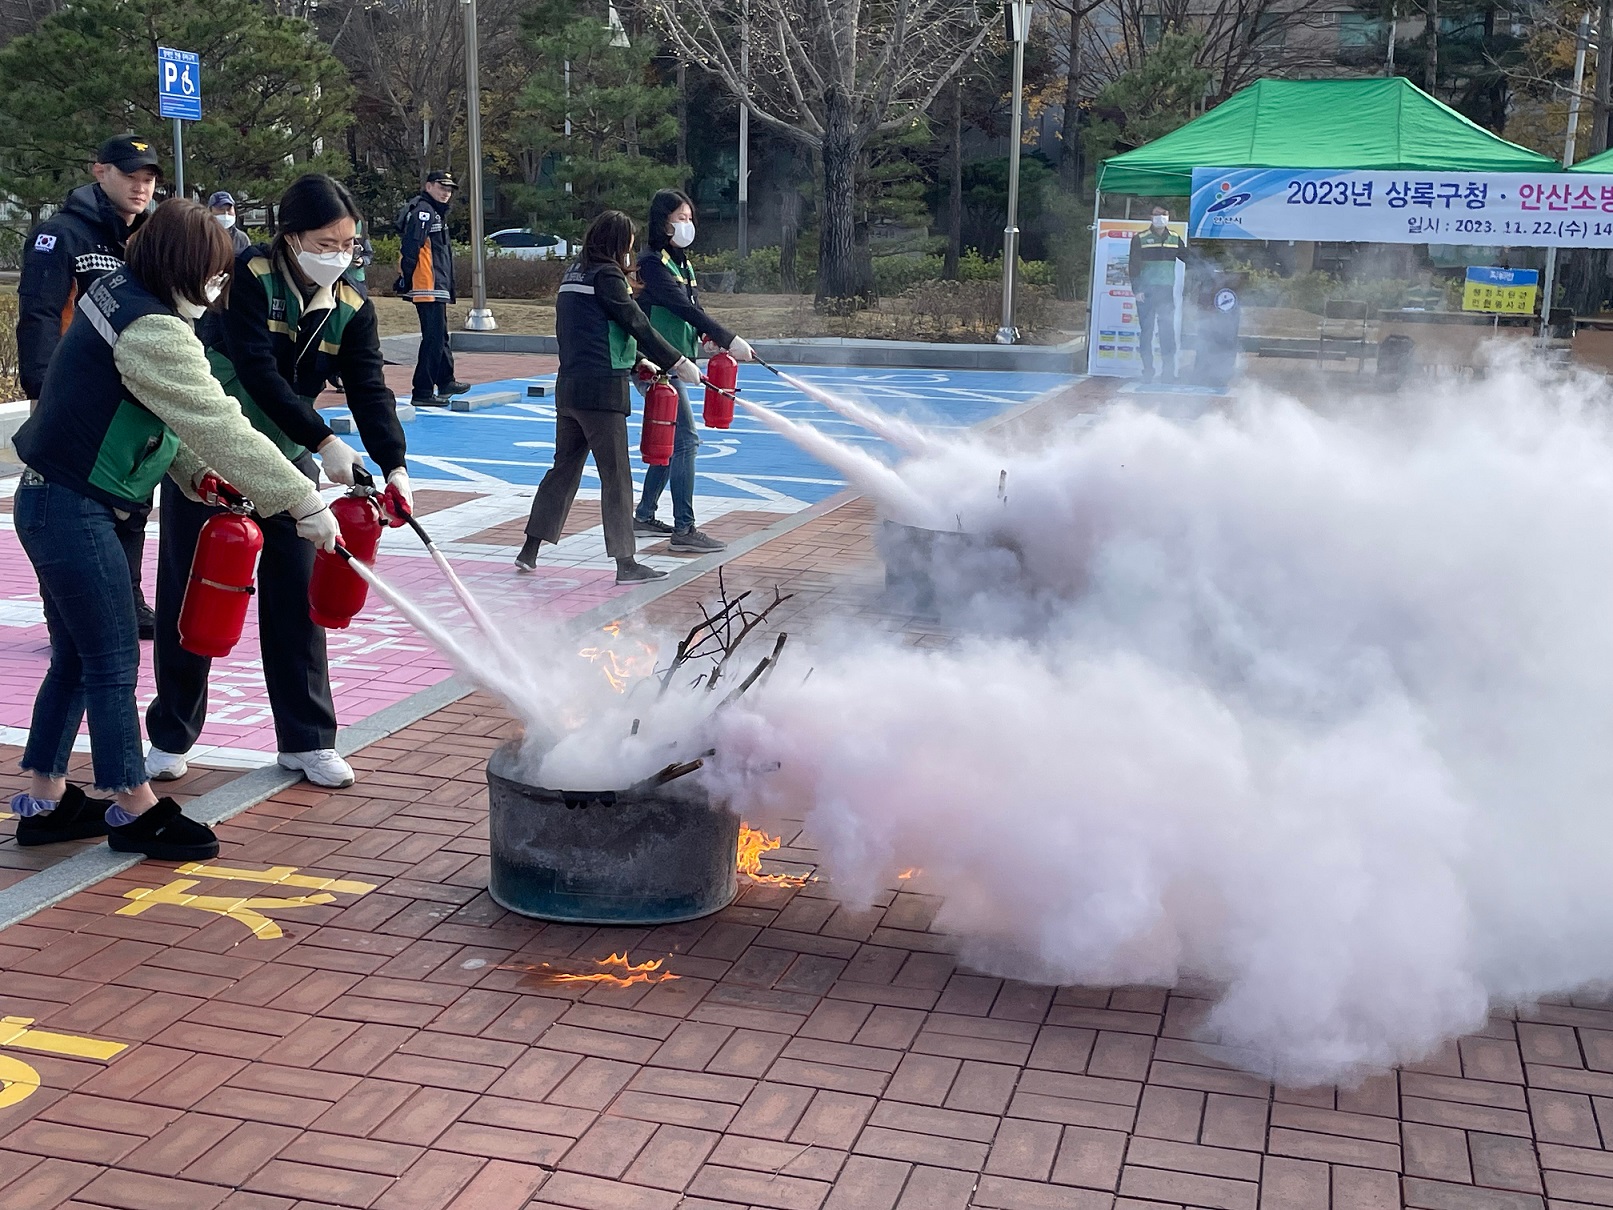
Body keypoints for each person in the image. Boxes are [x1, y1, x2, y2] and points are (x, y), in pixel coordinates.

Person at [8, 199, 340, 859]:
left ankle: (44, 802)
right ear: (184, 266)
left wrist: (199, 478)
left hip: (53, 498)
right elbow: (215, 419)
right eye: (213, 274)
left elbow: (158, 414)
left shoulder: (117, 293)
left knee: (77, 657)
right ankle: (133, 808)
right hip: (75, 507)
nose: (217, 288)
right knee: (112, 661)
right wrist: (301, 501)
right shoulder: (153, 329)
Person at [145, 174, 412, 792]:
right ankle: (171, 734)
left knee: (297, 599)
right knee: (195, 596)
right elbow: (259, 373)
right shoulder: (246, 277)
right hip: (213, 457)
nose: (339, 255)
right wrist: (326, 442)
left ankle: (307, 739)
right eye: (326, 243)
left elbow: (369, 387)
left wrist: (394, 464)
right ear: (290, 237)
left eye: (348, 244)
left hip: (288, 458)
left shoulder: (350, 306)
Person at [17, 135, 162, 638]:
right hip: (70, 394)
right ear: (99, 172)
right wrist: (42, 389)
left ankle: (129, 598)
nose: (140, 188)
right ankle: (63, 611)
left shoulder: (149, 238)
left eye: (148, 179)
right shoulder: (61, 235)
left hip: (130, 395)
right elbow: (39, 315)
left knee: (133, 498)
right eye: (129, 176)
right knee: (69, 502)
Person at [516, 210, 699, 584]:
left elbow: (597, 329)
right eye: (628, 240)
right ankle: (626, 563)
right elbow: (635, 321)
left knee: (563, 471)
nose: (631, 247)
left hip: (570, 387)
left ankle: (529, 549)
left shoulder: (574, 274)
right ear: (618, 242)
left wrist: (638, 361)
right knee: (616, 477)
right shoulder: (608, 276)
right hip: (602, 391)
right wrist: (677, 361)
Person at [633, 189, 755, 554]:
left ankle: (644, 515)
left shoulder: (680, 262)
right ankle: (684, 529)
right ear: (663, 223)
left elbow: (693, 309)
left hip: (679, 360)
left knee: (671, 442)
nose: (687, 225)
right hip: (656, 364)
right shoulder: (651, 263)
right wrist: (729, 338)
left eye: (689, 219)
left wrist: (707, 338)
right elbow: (679, 307)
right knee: (686, 441)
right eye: (680, 219)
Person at [399, 170, 469, 406]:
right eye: (441, 187)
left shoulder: (433, 212)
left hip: (435, 283)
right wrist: (406, 277)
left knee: (440, 336)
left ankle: (445, 380)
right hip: (427, 284)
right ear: (428, 186)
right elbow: (412, 246)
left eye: (449, 189)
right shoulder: (424, 212)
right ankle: (422, 391)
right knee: (433, 339)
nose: (446, 192)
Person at [1129, 204, 1188, 382]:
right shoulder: (1140, 238)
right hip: (1146, 292)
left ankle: (1168, 373)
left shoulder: (1174, 238)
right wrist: (1137, 289)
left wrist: (1209, 269)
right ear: (1150, 217)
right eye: (1156, 214)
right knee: (1147, 332)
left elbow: (1189, 258)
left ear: (1168, 216)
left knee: (1167, 333)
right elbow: (1133, 265)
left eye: (1163, 214)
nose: (1160, 217)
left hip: (1165, 292)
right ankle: (1148, 371)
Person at [208, 191, 252, 256]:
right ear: (210, 211)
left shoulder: (241, 238)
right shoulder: (202, 237)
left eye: (229, 209)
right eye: (220, 209)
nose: (225, 213)